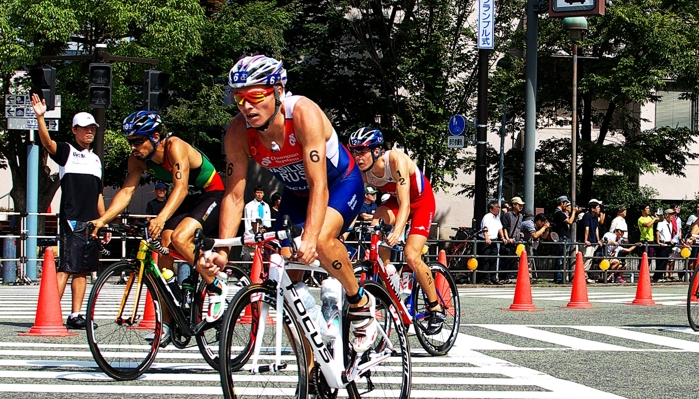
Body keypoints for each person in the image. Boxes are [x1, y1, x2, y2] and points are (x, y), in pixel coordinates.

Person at [201, 56, 379, 356]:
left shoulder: (303, 114)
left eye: (255, 96)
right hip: (296, 194)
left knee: (320, 240)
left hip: (338, 184)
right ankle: (310, 368)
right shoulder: (237, 132)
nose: (246, 106)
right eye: (239, 98)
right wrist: (222, 251)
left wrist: (309, 238)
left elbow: (318, 185)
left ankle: (359, 301)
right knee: (282, 277)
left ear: (278, 91)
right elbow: (233, 195)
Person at [92, 110, 224, 308]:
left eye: (137, 141)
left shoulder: (174, 146)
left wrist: (161, 218)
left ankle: (216, 285)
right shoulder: (137, 160)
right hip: (188, 199)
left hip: (212, 194)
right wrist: (102, 220)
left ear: (155, 137)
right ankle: (172, 314)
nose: (132, 147)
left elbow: (181, 188)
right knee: (164, 242)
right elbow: (126, 192)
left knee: (179, 238)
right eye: (130, 141)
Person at [347, 126, 446, 325]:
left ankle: (435, 306)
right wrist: (342, 230)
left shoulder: (395, 161)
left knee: (411, 255)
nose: (358, 157)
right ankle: (389, 272)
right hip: (394, 202)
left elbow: (406, 204)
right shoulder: (362, 172)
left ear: (376, 151)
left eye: (362, 151)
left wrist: (398, 231)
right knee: (376, 221)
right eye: (354, 151)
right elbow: (353, 203)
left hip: (420, 202)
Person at [31, 96, 104, 330]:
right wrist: (40, 117)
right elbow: (47, 143)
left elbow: (99, 195)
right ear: (74, 130)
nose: (89, 132)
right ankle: (51, 311)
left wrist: (103, 222)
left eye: (92, 128)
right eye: (84, 128)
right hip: (72, 219)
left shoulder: (96, 160)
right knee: (67, 267)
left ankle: (75, 314)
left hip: (91, 221)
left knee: (82, 269)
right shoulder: (67, 152)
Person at [549, 196, 580, 283]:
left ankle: (560, 277)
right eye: (566, 203)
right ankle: (559, 278)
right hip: (562, 237)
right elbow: (569, 221)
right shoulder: (558, 213)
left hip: (564, 237)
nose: (566, 205)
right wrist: (574, 211)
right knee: (561, 258)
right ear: (562, 203)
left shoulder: (559, 213)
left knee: (563, 258)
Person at [500, 196, 526, 281]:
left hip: (516, 241)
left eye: (521, 205)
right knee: (507, 259)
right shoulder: (508, 215)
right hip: (509, 241)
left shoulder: (521, 216)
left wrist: (520, 233)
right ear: (514, 205)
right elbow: (505, 227)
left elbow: (518, 227)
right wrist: (507, 238)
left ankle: (509, 276)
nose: (521, 207)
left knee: (513, 259)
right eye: (519, 205)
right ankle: (504, 277)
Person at [477, 200, 502, 283]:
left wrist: (503, 238)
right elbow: (485, 228)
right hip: (486, 240)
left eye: (499, 207)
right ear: (491, 209)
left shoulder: (497, 218)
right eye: (497, 207)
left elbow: (500, 228)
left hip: (494, 240)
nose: (499, 209)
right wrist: (486, 238)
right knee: (486, 259)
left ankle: (493, 277)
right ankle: (486, 278)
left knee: (493, 259)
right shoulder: (487, 217)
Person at [582, 200, 603, 281]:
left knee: (590, 258)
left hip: (593, 240)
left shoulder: (595, 217)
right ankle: (583, 274)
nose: (599, 209)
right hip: (588, 240)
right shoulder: (587, 216)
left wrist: (598, 240)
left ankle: (585, 274)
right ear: (592, 209)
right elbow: (586, 228)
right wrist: (586, 239)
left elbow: (596, 229)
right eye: (597, 207)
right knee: (587, 257)